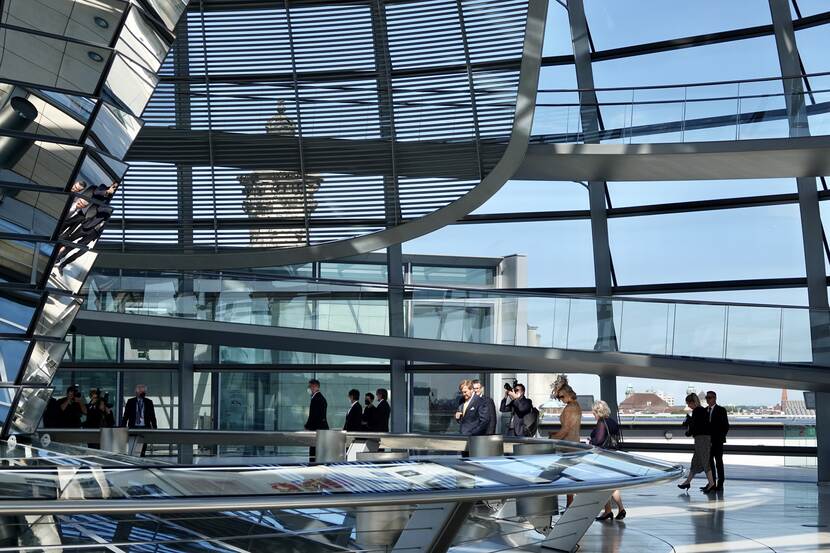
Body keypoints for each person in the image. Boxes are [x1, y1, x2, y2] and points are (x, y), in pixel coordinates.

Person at [590, 400, 626, 521]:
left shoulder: (601, 422)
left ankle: (609, 510)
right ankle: (617, 509)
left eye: (593, 412)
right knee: (611, 485)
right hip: (613, 455)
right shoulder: (612, 422)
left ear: (597, 411)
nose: (593, 415)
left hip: (603, 457)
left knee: (604, 485)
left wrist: (590, 441)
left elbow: (599, 440)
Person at [677, 393, 717, 493]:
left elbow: (695, 427)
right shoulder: (702, 410)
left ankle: (711, 484)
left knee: (704, 461)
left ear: (693, 402)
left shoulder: (697, 411)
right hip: (703, 439)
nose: (688, 406)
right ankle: (687, 482)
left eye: (688, 404)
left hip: (702, 439)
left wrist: (688, 428)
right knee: (695, 462)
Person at [705, 390, 729, 490]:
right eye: (707, 398)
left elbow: (725, 426)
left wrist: (719, 438)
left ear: (715, 398)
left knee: (719, 462)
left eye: (709, 398)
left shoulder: (721, 410)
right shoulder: (705, 410)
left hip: (717, 442)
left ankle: (721, 483)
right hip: (707, 442)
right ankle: (712, 482)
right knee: (710, 463)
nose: (708, 399)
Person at [550, 376, 581, 442]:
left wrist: (552, 439)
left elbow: (566, 429)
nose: (560, 399)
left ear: (568, 393)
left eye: (562, 396)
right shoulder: (576, 405)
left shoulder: (570, 408)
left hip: (569, 445)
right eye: (558, 397)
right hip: (574, 442)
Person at [304, 379, 328, 462]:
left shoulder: (317, 399)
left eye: (309, 386)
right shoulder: (319, 398)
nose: (308, 388)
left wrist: (307, 426)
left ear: (314, 386)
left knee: (315, 451)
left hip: (317, 430)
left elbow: (314, 416)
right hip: (319, 429)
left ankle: (314, 464)